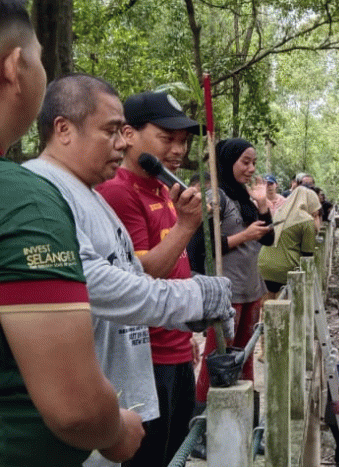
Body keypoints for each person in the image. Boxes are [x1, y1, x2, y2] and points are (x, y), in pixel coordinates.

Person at [23, 73, 235, 467]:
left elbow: (131, 273)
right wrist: (194, 297)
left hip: (121, 397)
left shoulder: (88, 195)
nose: (121, 143)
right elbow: (94, 283)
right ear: (64, 129)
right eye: (111, 131)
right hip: (85, 412)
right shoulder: (42, 190)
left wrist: (192, 312)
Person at [0, 4, 144, 465]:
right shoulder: (25, 200)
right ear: (14, 68)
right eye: (39, 58)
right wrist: (117, 430)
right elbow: (77, 408)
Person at [95, 91, 206, 467]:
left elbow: (177, 266)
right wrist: (188, 225)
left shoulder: (163, 188)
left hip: (174, 345)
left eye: (184, 141)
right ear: (129, 134)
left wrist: (185, 331)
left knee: (178, 450)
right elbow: (137, 275)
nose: (178, 149)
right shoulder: (118, 192)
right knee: (150, 457)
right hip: (145, 355)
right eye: (167, 138)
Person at [188, 137, 274, 439]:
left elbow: (267, 239)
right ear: (228, 162)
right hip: (227, 292)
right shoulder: (216, 197)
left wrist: (263, 207)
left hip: (252, 289)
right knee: (217, 358)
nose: (251, 168)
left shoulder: (245, 197)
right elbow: (199, 248)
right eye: (244, 162)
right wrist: (243, 236)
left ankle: (246, 426)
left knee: (245, 355)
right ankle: (199, 432)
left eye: (253, 162)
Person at [257, 185, 321, 300]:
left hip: (263, 266)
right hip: (285, 271)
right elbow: (307, 256)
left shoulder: (280, 212)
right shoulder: (307, 221)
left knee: (267, 309)